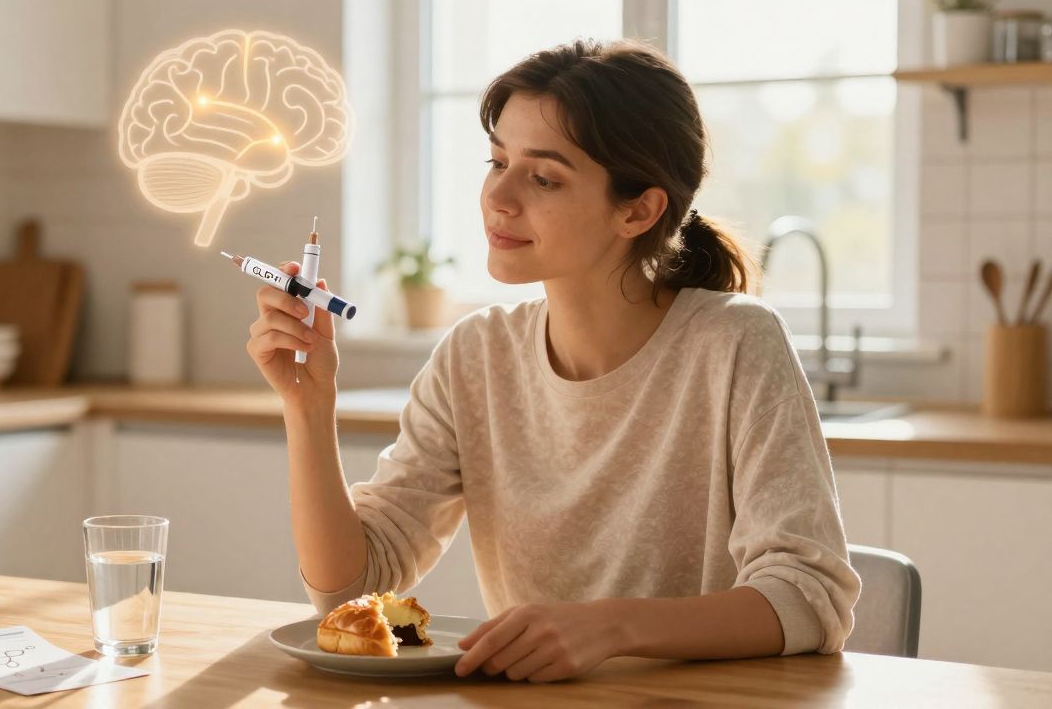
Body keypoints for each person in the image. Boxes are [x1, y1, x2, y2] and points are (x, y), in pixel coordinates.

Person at [243, 38, 860, 683]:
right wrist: (308, 407)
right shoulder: (475, 355)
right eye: (496, 161)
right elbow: (349, 593)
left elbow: (808, 597)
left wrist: (609, 627)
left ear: (638, 209)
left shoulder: (735, 343)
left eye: (543, 177)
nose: (498, 198)